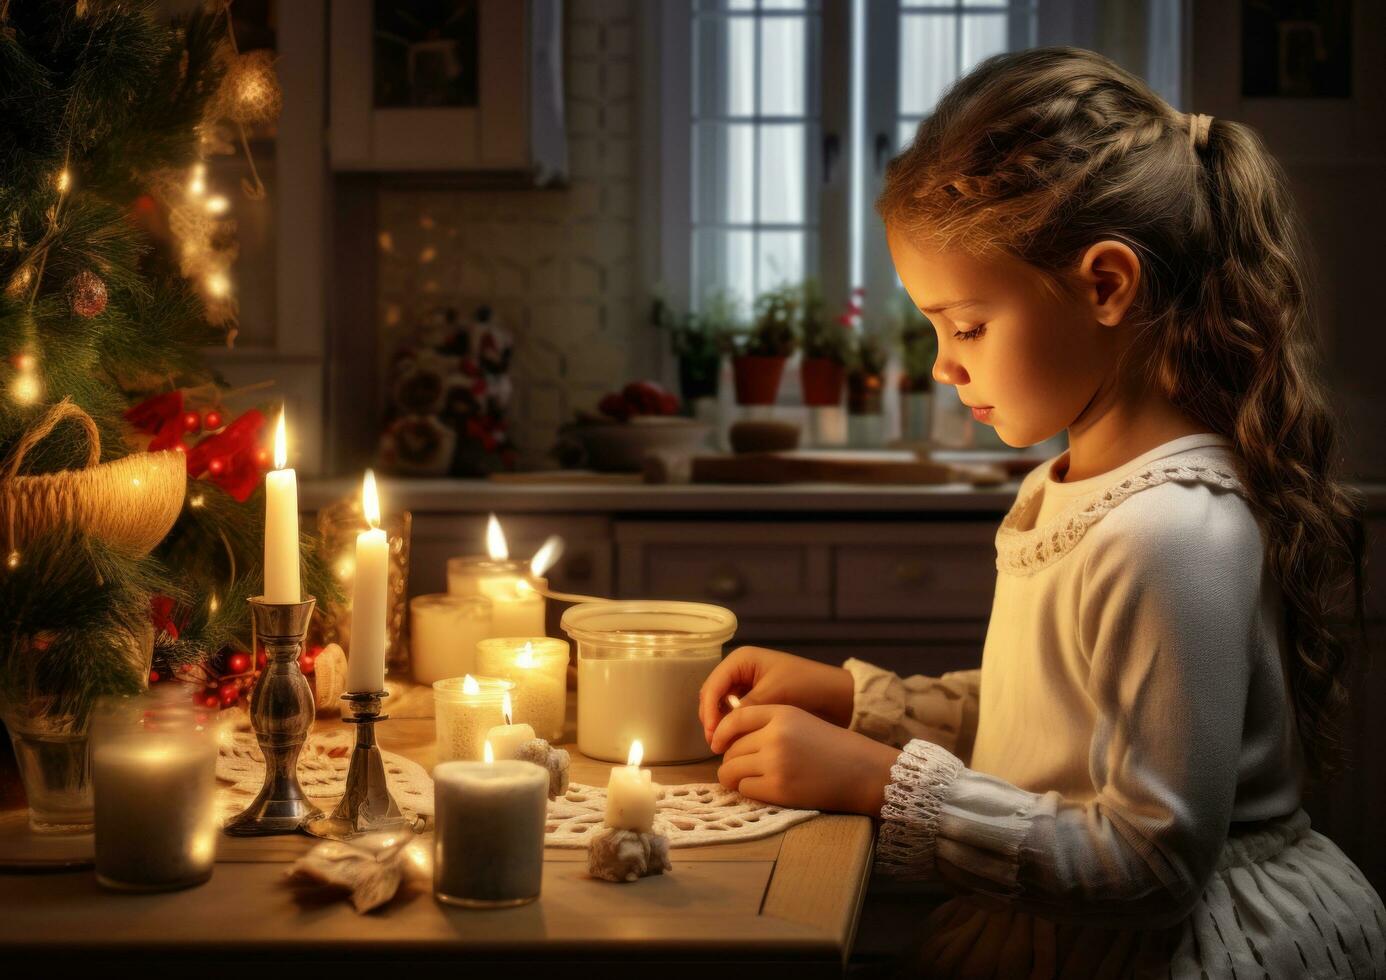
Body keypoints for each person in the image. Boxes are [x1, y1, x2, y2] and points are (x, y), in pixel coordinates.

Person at [698, 46, 1386, 978]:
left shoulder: (1169, 531)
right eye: (936, 327)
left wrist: (878, 783)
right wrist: (858, 703)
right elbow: (1056, 732)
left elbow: (1153, 861)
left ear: (1105, 284)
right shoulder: (1072, 484)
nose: (944, 364)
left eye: (968, 325)